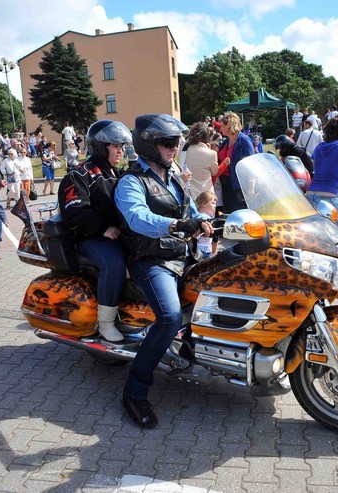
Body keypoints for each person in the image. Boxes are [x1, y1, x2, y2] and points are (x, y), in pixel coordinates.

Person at [114, 114, 212, 428]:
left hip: (184, 255)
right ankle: (134, 392)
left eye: (177, 142)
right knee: (169, 317)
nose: (175, 148)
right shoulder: (131, 181)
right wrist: (174, 225)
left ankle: (193, 352)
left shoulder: (172, 177)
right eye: (168, 142)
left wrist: (207, 223)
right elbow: (137, 217)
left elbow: (191, 212)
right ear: (148, 144)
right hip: (152, 261)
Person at [58, 120, 132, 342]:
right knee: (114, 264)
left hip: (118, 233)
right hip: (91, 237)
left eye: (121, 146)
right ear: (100, 146)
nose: (120, 150)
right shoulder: (79, 175)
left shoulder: (118, 173)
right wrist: (102, 228)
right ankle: (106, 323)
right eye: (114, 145)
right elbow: (75, 210)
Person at [216, 112, 254, 213]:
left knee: (240, 214)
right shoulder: (225, 142)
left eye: (222, 126)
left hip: (238, 185)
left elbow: (252, 163)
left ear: (228, 126)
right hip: (225, 184)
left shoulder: (244, 141)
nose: (220, 128)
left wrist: (251, 186)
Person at [183, 122, 219, 201]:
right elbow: (215, 172)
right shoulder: (211, 154)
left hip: (190, 194)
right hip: (206, 194)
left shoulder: (185, 150)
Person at [195, 191, 218, 259]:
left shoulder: (195, 217)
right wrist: (214, 252)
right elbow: (215, 238)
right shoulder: (208, 220)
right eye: (213, 203)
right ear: (204, 203)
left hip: (196, 249)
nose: (215, 206)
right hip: (205, 250)